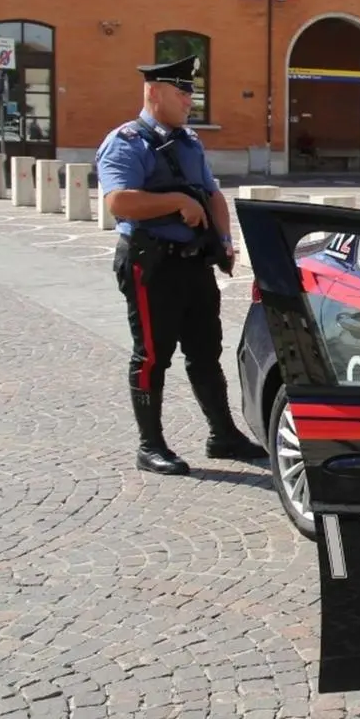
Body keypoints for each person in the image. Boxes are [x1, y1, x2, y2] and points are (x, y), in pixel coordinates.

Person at [96, 55, 264, 476]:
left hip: (194, 265)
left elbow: (212, 195)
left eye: (191, 90)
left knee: (206, 352)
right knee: (153, 355)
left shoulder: (189, 141)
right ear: (154, 91)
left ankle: (222, 435)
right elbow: (118, 201)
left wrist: (225, 242)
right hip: (151, 264)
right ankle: (149, 445)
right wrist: (175, 202)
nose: (190, 98)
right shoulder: (126, 141)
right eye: (182, 90)